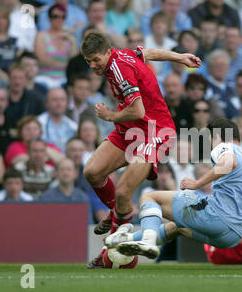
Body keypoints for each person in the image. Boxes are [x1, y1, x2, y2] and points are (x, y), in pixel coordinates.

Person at [104, 119, 242, 265]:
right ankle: (120, 242)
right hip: (232, 237)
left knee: (150, 196)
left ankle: (148, 241)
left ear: (218, 136)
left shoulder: (225, 147)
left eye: (209, 138)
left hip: (217, 218)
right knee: (177, 228)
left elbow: (228, 162)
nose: (210, 143)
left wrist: (197, 182)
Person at [80, 31, 201, 242]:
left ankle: (117, 253)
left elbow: (138, 111)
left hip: (154, 130)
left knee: (123, 189)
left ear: (108, 52)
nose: (92, 66)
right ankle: (117, 212)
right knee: (92, 172)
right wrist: (180, 57)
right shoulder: (122, 54)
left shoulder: (120, 69)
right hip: (130, 128)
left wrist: (110, 115)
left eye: (96, 60)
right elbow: (149, 53)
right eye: (88, 61)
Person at [34, 3, 78, 88]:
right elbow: (42, 60)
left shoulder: (69, 38)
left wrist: (72, 41)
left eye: (63, 17)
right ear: (49, 18)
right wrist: (66, 65)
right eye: (55, 16)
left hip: (65, 80)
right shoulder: (41, 35)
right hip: (44, 79)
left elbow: (74, 61)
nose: (59, 19)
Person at [40, 158, 94, 224]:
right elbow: (44, 223)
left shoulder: (83, 198)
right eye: (62, 169)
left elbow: (88, 225)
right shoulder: (47, 197)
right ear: (56, 173)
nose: (65, 173)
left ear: (75, 173)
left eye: (69, 169)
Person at [37, 88, 78, 152]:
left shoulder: (73, 126)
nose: (59, 103)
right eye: (55, 100)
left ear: (67, 103)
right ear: (47, 103)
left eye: (62, 100)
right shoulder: (38, 123)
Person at [6, 63, 45, 128]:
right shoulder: (0, 97)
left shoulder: (36, 99)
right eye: (14, 78)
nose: (17, 82)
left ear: (26, 80)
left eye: (21, 78)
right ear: (9, 78)